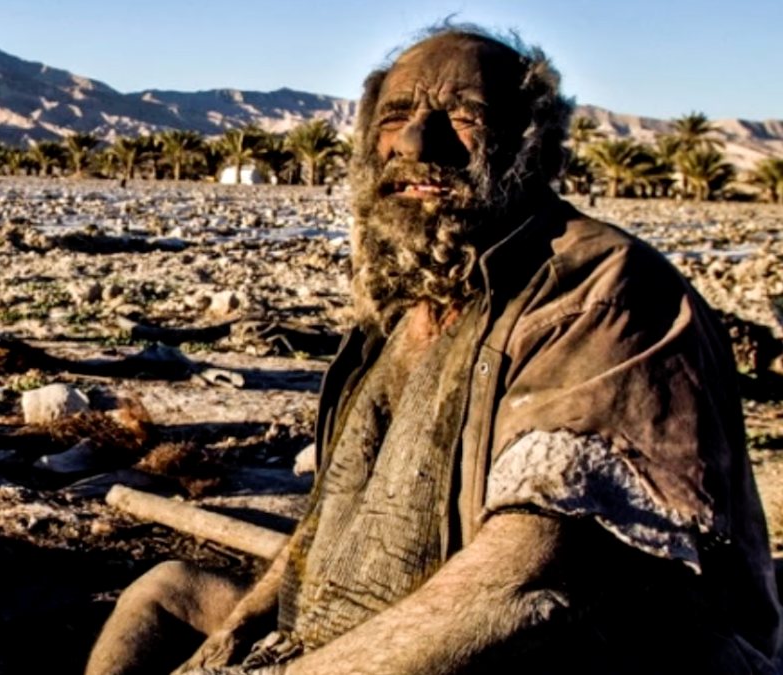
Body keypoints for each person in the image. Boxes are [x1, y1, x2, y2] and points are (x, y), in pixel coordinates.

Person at [85, 26, 782, 675]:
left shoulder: (602, 293)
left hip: (549, 653)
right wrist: (240, 630)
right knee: (168, 591)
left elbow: (518, 586)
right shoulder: (406, 306)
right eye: (394, 116)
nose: (417, 141)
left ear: (530, 143)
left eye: (465, 114)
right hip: (363, 632)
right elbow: (328, 526)